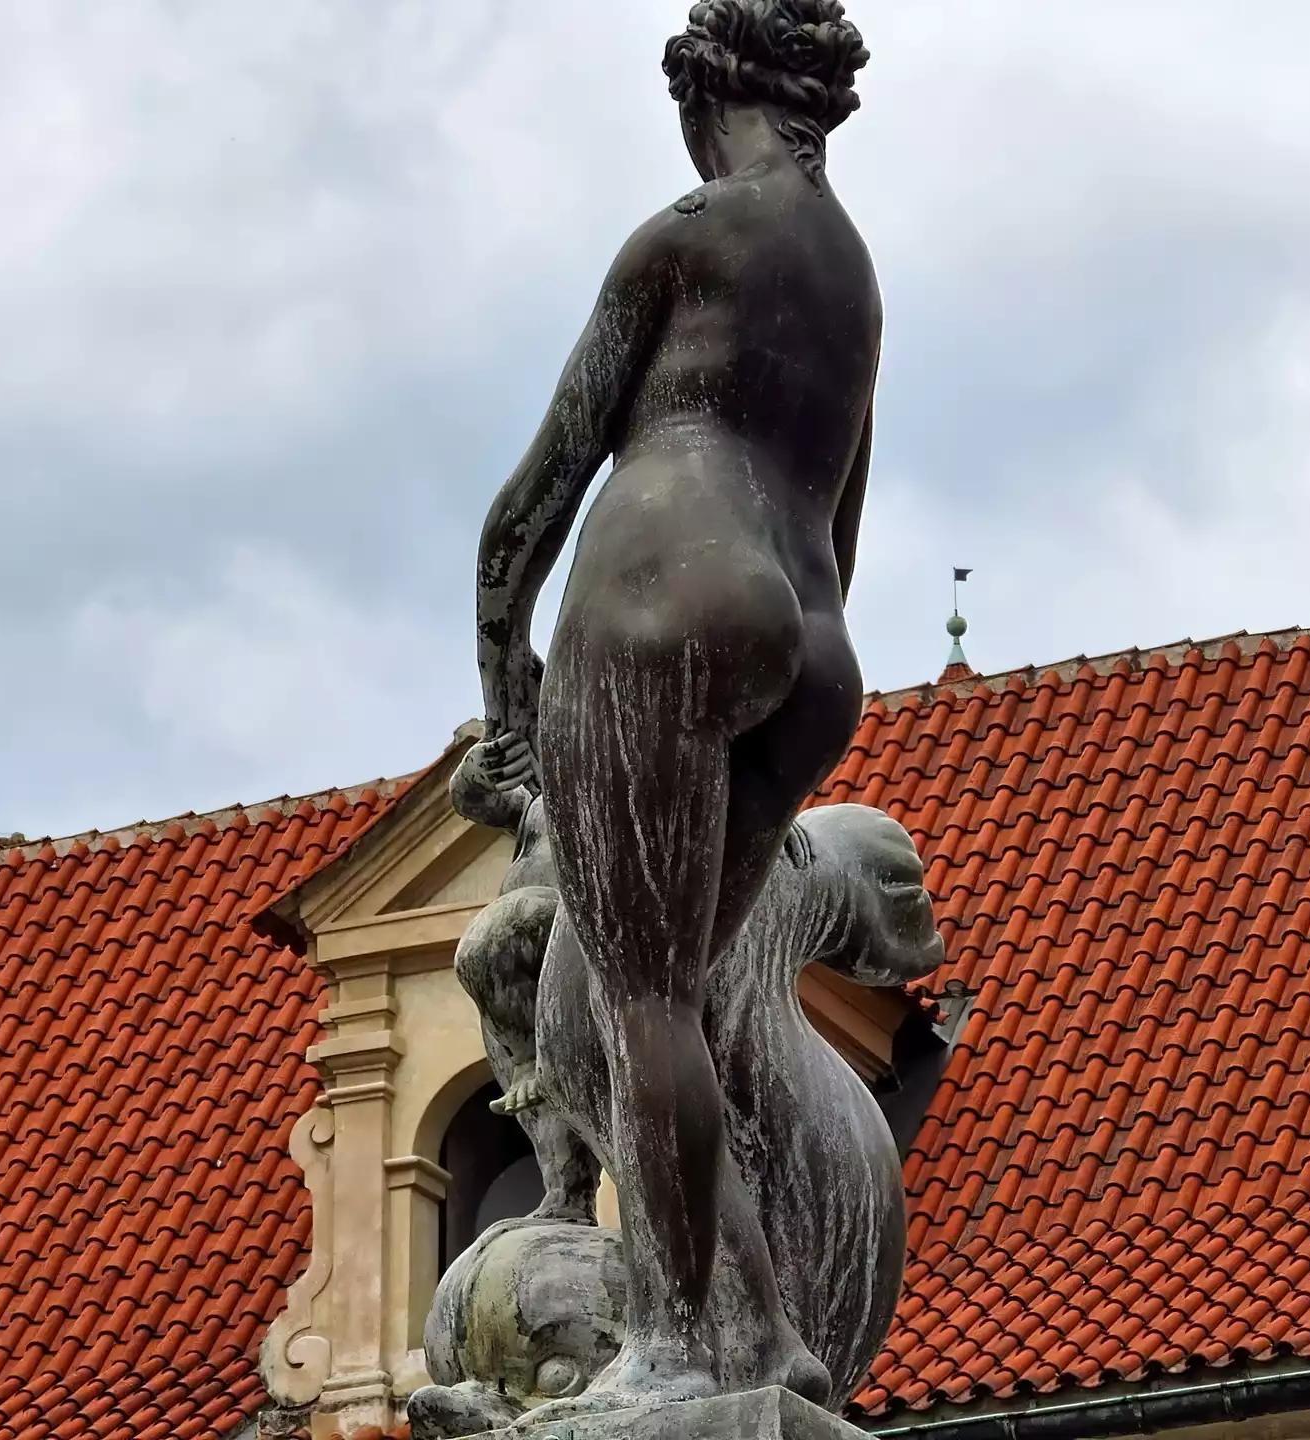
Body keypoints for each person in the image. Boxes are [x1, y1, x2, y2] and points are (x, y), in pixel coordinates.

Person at [473, 0, 877, 1412]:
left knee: (637, 997)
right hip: (809, 639)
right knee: (667, 1005)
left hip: (659, 595)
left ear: (700, 94)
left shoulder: (686, 235)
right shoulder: (849, 277)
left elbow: (542, 485)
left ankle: (684, 1345)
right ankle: (766, 1334)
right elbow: (846, 511)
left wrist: (500, 678)